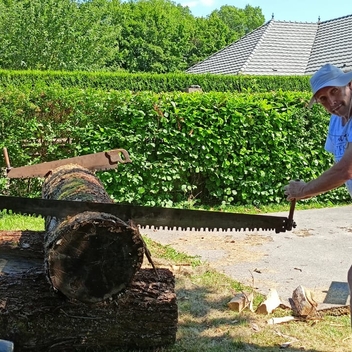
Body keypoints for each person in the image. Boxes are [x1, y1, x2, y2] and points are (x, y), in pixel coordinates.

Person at [283, 63, 352, 325]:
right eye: (323, 98)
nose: (331, 102)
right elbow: (339, 165)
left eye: (334, 92)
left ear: (349, 86)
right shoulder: (337, 121)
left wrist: (304, 190)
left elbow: (347, 169)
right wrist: (307, 187)